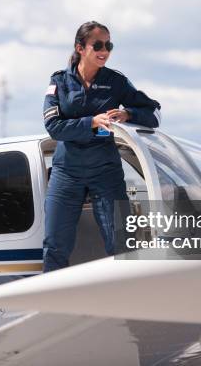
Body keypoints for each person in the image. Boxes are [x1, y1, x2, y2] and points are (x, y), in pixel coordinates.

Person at [42, 21, 160, 272]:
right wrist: (92, 122)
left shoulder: (116, 82)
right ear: (80, 48)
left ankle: (126, 307)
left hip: (105, 172)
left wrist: (128, 114)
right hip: (66, 173)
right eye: (98, 45)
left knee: (121, 246)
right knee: (55, 246)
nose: (104, 50)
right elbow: (53, 126)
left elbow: (154, 113)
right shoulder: (59, 81)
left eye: (109, 45)